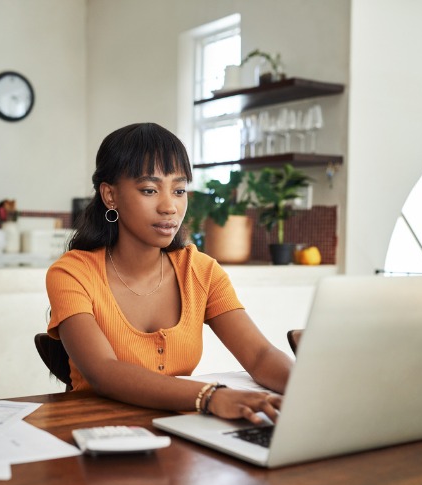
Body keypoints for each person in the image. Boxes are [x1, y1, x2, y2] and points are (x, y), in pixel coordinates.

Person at [46, 122, 294, 424]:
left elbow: (259, 356)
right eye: (149, 190)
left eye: (179, 190)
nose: (170, 207)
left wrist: (309, 389)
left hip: (182, 435)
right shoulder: (72, 273)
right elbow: (103, 371)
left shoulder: (200, 271)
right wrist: (210, 396)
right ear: (110, 196)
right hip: (96, 437)